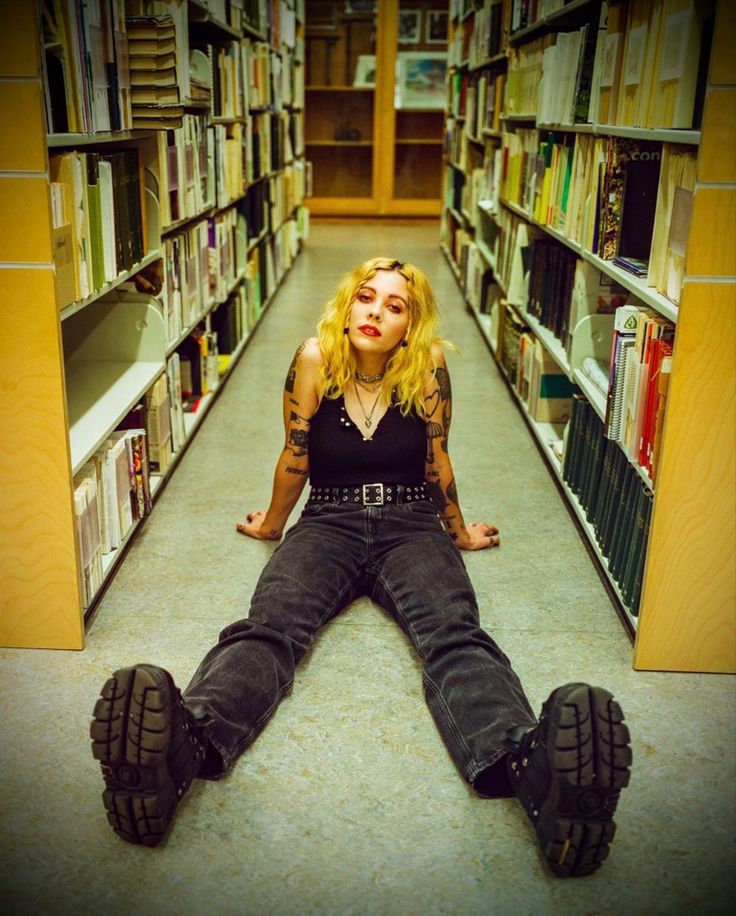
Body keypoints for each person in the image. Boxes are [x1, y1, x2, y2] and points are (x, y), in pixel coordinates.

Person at [91, 257, 632, 877]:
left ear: (412, 323)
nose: (375, 312)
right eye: (366, 298)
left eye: (395, 306)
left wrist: (459, 531)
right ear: (347, 305)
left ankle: (529, 766)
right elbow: (295, 455)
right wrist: (272, 524)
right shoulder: (313, 359)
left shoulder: (428, 367)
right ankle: (184, 746)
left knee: (455, 635)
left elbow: (436, 461)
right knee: (270, 627)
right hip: (328, 518)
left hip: (410, 521)